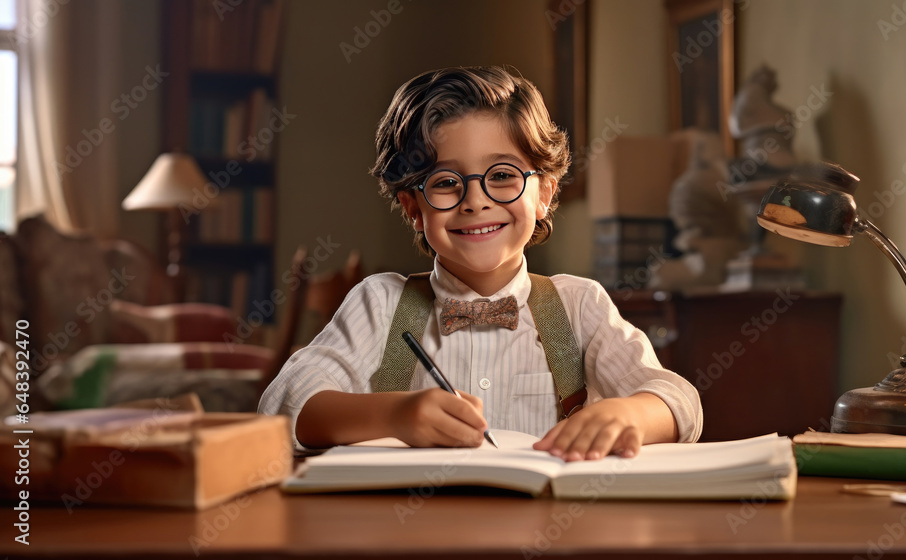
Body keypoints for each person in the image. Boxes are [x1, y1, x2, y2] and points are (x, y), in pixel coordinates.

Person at [259, 66, 702, 461]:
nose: (476, 201)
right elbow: (283, 406)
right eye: (447, 182)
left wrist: (628, 413)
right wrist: (395, 414)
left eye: (503, 175)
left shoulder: (578, 306)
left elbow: (678, 401)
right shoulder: (381, 304)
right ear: (414, 207)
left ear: (544, 193)